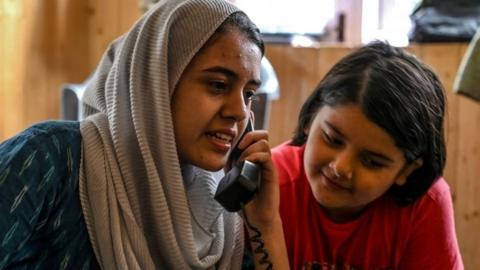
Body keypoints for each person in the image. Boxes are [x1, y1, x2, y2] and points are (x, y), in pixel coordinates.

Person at [0, 0, 288, 269]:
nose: (239, 112)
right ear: (156, 83)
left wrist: (266, 224)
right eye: (217, 85)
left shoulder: (222, 215)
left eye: (249, 93)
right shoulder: (48, 157)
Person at [272, 41, 464, 270]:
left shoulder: (424, 204)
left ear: (406, 170)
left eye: (371, 162)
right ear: (312, 117)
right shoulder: (269, 184)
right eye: (332, 139)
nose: (340, 167)